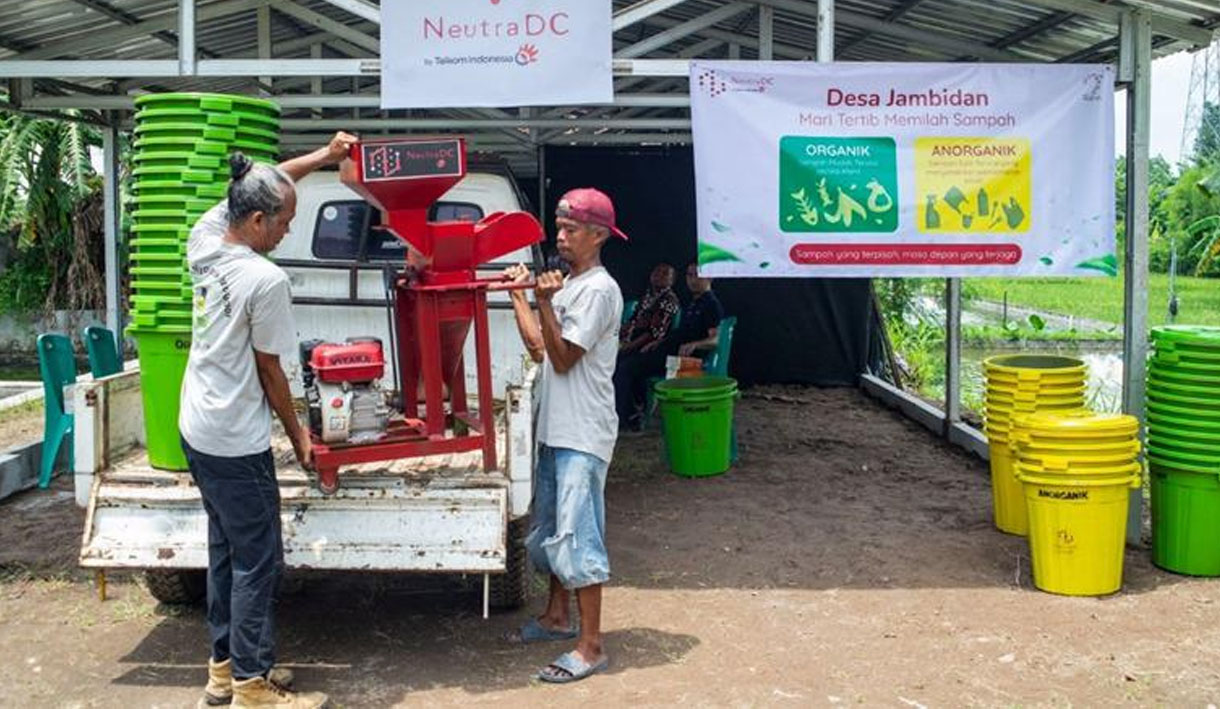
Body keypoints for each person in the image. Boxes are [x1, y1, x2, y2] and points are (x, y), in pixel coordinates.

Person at [179, 131, 357, 709]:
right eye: (283, 222)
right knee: (259, 561)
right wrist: (301, 435)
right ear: (256, 221)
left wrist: (323, 159)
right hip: (234, 439)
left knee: (227, 551)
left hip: (197, 427)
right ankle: (254, 688)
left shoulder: (205, 240)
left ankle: (224, 671)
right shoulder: (265, 279)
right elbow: (272, 374)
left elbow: (271, 178)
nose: (287, 231)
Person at [503, 187, 626, 684]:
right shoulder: (569, 286)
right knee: (551, 532)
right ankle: (557, 617)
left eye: (571, 229)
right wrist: (520, 295)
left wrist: (542, 302)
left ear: (598, 236)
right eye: (558, 227)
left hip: (583, 433)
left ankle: (591, 646)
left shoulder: (598, 290)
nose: (561, 236)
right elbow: (537, 346)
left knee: (578, 537)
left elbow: (562, 356)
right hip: (557, 429)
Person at [613, 263, 724, 427]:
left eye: (697, 275)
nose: (692, 280)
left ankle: (626, 419)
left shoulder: (711, 305)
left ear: (710, 277)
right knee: (624, 361)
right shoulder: (693, 303)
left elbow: (715, 340)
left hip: (684, 360)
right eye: (689, 275)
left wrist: (695, 344)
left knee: (627, 367)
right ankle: (633, 411)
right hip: (667, 352)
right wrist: (659, 342)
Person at [619, 263, 679, 356]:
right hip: (631, 339)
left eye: (665, 273)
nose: (659, 274)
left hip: (648, 348)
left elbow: (654, 333)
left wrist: (627, 347)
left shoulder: (669, 300)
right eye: (657, 271)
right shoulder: (648, 296)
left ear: (671, 281)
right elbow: (633, 320)